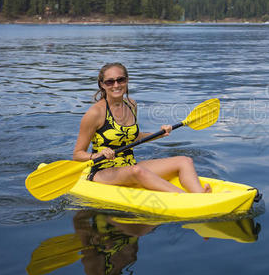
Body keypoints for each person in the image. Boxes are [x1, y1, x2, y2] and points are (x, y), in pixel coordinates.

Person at [73, 62, 211, 193]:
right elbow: (77, 154)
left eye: (120, 80)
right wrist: (97, 155)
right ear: (102, 85)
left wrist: (160, 134)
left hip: (130, 166)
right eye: (110, 81)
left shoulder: (131, 105)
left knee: (184, 161)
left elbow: (134, 137)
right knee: (137, 171)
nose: (116, 85)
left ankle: (199, 193)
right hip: (103, 172)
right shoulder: (95, 113)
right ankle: (187, 199)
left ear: (127, 81)